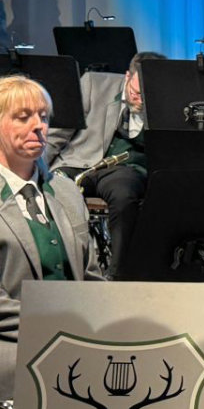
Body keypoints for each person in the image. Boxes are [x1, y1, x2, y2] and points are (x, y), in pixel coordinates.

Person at [0, 76, 103, 399]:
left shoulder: (65, 191)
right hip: (11, 345)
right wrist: (54, 329)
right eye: (23, 117)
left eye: (43, 117)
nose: (39, 127)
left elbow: (92, 276)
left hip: (76, 341)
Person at [45, 51, 165, 277]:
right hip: (80, 161)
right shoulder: (93, 84)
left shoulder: (165, 101)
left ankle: (117, 274)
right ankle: (61, 267)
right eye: (136, 93)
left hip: (124, 169)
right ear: (127, 76)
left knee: (123, 195)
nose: (141, 100)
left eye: (147, 95)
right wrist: (35, 168)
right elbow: (59, 132)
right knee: (53, 187)